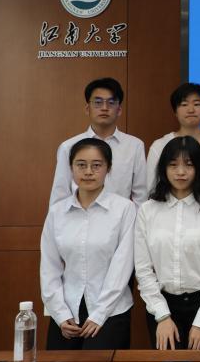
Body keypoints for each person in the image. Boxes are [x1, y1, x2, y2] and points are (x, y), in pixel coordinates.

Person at [135, 136, 200, 350]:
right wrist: (162, 316)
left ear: (199, 168)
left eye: (188, 165)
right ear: (163, 168)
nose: (181, 172)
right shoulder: (148, 210)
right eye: (173, 165)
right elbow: (143, 270)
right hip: (161, 306)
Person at [40, 137, 136, 349]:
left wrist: (100, 314)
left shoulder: (124, 209)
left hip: (111, 311)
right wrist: (60, 314)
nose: (88, 172)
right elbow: (49, 268)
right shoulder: (57, 212)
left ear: (108, 168)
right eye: (81, 165)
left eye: (96, 165)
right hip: (66, 312)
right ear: (71, 168)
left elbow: (122, 266)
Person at [49, 78, 146, 206]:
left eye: (111, 102)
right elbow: (59, 195)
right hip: (79, 216)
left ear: (119, 110)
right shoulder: (68, 146)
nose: (104, 108)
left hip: (121, 217)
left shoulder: (135, 146)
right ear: (87, 109)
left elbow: (141, 196)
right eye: (98, 102)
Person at [145, 82, 200, 205]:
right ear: (175, 111)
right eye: (184, 104)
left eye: (197, 104)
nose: (191, 110)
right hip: (166, 213)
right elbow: (151, 188)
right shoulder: (160, 145)